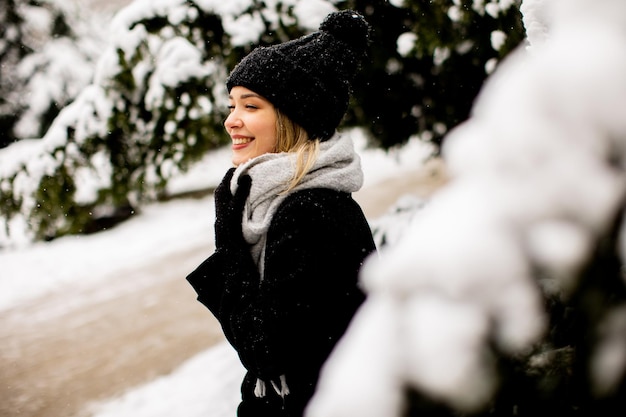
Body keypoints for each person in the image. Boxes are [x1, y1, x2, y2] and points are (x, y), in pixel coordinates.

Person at [186, 9, 376, 417]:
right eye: (232, 104)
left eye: (250, 106)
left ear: (293, 117)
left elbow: (269, 352)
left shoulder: (311, 211)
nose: (230, 121)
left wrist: (228, 241)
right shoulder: (284, 201)